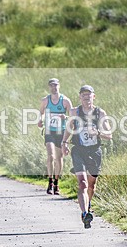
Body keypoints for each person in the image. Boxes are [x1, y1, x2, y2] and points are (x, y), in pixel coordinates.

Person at [62, 85, 112, 229]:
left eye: (88, 95)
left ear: (93, 97)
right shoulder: (74, 112)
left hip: (94, 152)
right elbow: (69, 128)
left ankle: (87, 205)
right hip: (78, 150)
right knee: (82, 183)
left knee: (91, 185)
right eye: (83, 95)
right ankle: (84, 214)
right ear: (80, 97)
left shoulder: (100, 113)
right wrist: (64, 143)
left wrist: (98, 133)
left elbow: (109, 135)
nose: (86, 97)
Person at [37, 78, 72, 195]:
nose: (54, 87)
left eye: (56, 85)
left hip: (61, 132)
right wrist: (40, 120)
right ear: (49, 87)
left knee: (59, 157)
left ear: (59, 86)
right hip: (49, 131)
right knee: (50, 155)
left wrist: (65, 117)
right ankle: (50, 182)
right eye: (52, 85)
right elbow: (41, 113)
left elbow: (72, 117)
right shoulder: (45, 100)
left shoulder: (65, 101)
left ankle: (57, 182)